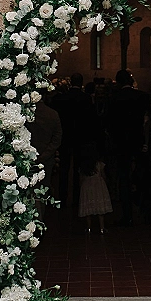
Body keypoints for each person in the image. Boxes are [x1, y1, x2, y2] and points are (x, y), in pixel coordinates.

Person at [106, 69, 150, 226]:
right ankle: (145, 209)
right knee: (141, 174)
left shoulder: (114, 99)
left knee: (124, 177)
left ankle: (127, 214)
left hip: (121, 143)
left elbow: (109, 123)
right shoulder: (142, 97)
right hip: (137, 140)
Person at [51, 72, 95, 207]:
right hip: (80, 138)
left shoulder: (62, 98)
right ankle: (77, 197)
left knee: (64, 168)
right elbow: (90, 120)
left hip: (66, 137)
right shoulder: (86, 98)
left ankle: (62, 197)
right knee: (77, 168)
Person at [78, 143, 112, 234]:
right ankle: (102, 228)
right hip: (99, 187)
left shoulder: (83, 166)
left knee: (88, 208)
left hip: (87, 187)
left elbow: (81, 179)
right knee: (100, 208)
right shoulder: (99, 164)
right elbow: (103, 175)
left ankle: (89, 228)